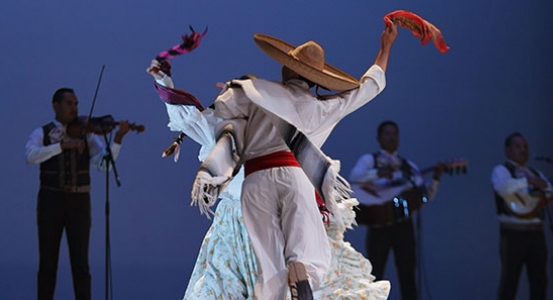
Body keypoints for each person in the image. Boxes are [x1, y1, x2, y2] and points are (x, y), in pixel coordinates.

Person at [145, 27, 392, 298]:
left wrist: (165, 84)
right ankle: (300, 272)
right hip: (295, 187)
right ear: (314, 79)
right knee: (305, 255)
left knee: (233, 284)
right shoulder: (322, 108)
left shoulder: (257, 96)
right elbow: (369, 88)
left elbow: (197, 123)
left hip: (245, 204)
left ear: (288, 70)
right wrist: (385, 46)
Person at [25, 88, 130, 300]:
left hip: (79, 202)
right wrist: (62, 146)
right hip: (50, 201)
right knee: (47, 263)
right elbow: (30, 156)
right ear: (56, 106)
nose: (74, 108)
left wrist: (117, 140)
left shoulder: (87, 134)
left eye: (76, 104)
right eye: (69, 103)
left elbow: (104, 165)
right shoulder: (42, 133)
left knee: (81, 263)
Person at [348, 120, 445, 300]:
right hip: (379, 226)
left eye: (395, 134)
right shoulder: (370, 160)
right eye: (387, 134)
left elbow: (422, 197)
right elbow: (355, 177)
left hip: (403, 226)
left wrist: (436, 180)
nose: (391, 138)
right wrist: (378, 173)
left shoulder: (409, 167)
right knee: (374, 273)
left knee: (407, 273)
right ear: (378, 138)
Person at [492, 132, 553, 300]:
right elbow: (503, 188)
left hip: (536, 233)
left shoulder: (536, 173)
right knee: (509, 282)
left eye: (525, 146)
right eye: (518, 146)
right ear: (507, 151)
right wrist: (527, 182)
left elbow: (552, 198)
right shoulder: (501, 171)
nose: (523, 150)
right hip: (512, 234)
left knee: (539, 282)